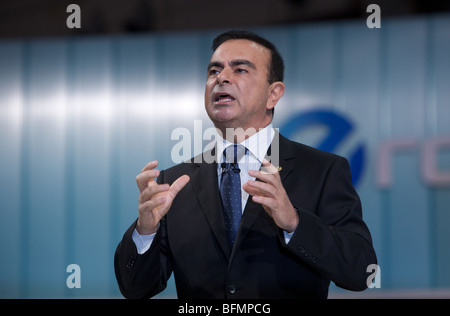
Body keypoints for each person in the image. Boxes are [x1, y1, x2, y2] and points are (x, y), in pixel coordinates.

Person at [114, 30, 377, 299]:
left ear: (273, 94)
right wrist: (146, 231)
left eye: (240, 69)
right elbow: (135, 288)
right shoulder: (174, 183)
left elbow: (361, 272)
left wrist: (295, 224)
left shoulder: (322, 170)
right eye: (214, 71)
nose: (221, 78)